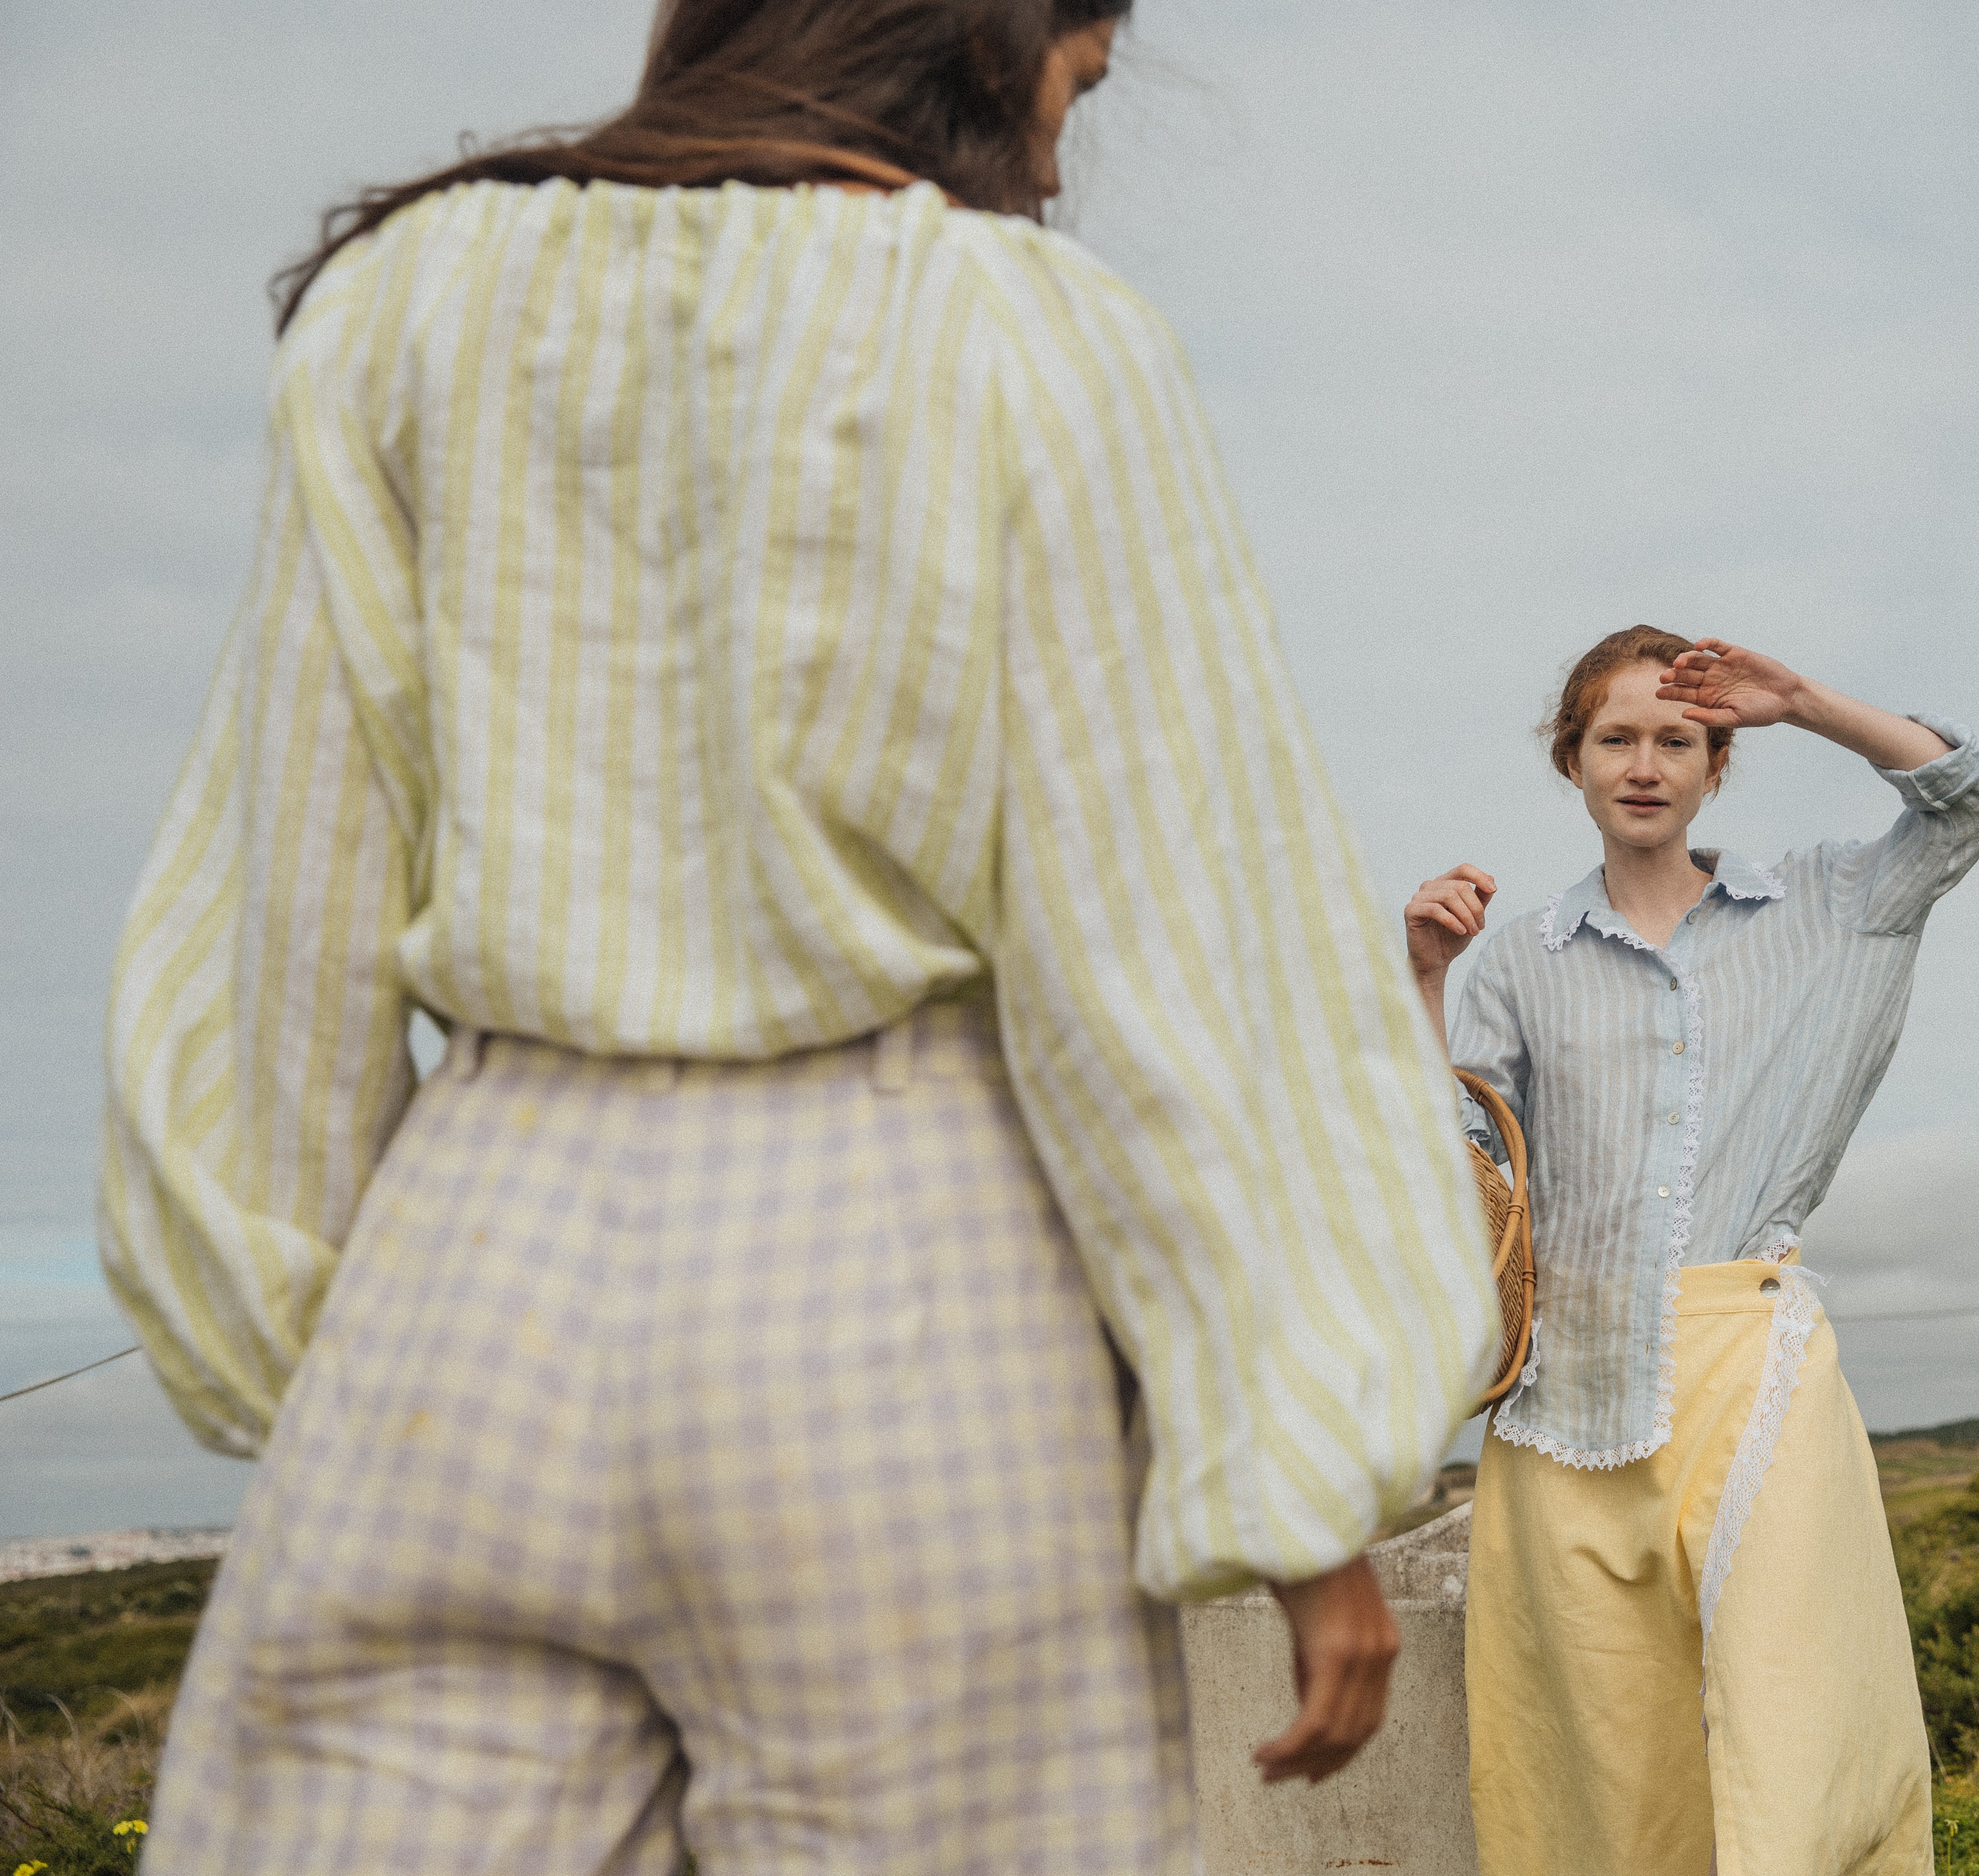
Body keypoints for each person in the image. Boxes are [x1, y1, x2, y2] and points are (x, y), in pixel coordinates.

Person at [98, 4, 1500, 1870]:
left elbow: (281, 896)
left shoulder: (406, 300)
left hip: (467, 1275)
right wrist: (1303, 1465)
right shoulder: (1033, 333)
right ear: (985, 43)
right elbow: (1171, 948)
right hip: (908, 1272)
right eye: (1076, 87)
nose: (1064, 161)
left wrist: (308, 1343)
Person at [1405, 627, 1979, 1875]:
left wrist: (1805, 702)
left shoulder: (1834, 904)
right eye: (1615, 739)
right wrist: (1424, 981)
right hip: (1561, 1390)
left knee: (1795, 1721)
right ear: (1570, 762)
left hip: (1751, 1355)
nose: (1645, 765)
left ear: (1717, 763)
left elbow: (1974, 801)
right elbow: (1459, 1171)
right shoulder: (1519, 960)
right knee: (1601, 1757)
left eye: (1676, 740)